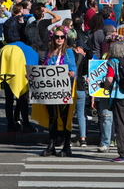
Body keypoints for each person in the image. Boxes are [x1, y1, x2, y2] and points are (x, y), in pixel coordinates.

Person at [40, 25, 76, 157]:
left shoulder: (68, 52)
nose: (59, 39)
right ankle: (51, 144)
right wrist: (34, 76)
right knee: (52, 117)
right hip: (50, 89)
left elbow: (73, 68)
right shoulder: (49, 52)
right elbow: (44, 67)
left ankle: (66, 145)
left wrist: (72, 73)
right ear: (53, 38)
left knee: (65, 117)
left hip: (64, 88)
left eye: (62, 37)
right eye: (57, 37)